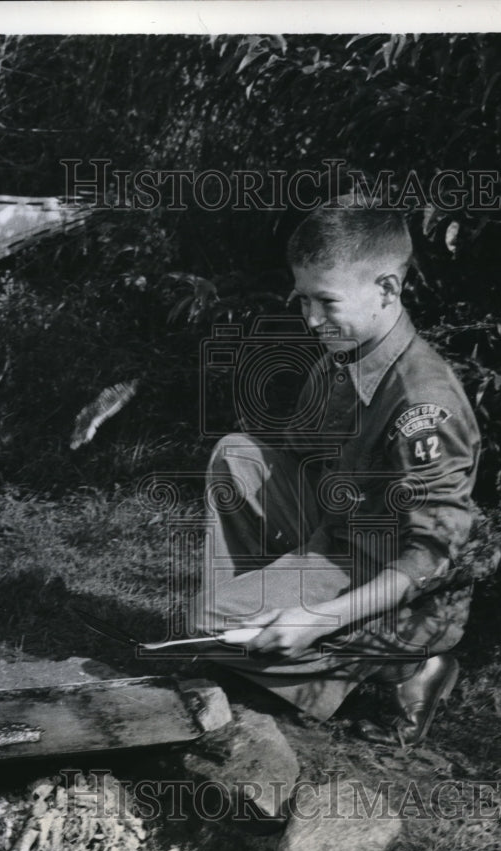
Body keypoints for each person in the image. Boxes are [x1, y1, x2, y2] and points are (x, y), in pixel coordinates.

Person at [191, 199, 481, 746]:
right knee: (237, 455)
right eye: (303, 300)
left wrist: (318, 618)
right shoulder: (345, 353)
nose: (311, 319)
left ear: (387, 290)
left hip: (398, 580)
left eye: (326, 302)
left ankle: (408, 665)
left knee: (210, 623)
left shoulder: (425, 403)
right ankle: (253, 643)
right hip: (339, 531)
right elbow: (299, 455)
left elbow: (433, 557)